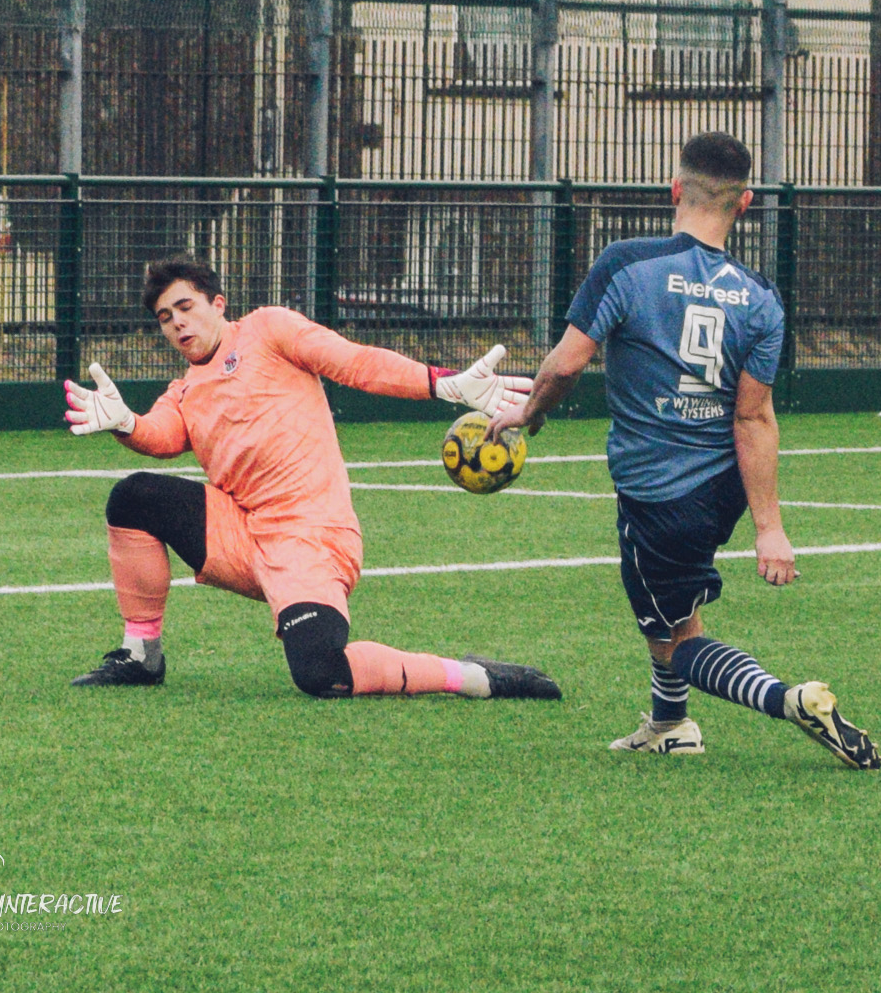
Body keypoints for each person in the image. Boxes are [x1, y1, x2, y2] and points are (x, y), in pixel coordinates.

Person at [491, 132, 881, 769]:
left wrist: (527, 414)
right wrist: (769, 529)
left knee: (672, 639)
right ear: (745, 204)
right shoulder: (761, 299)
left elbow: (564, 366)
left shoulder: (625, 264)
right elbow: (753, 418)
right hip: (720, 489)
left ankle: (791, 700)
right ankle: (671, 725)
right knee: (677, 606)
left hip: (656, 491)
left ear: (674, 191)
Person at [61, 258, 560, 702]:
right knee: (133, 497)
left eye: (185, 307)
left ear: (218, 304)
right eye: (166, 319)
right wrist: (125, 422)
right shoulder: (185, 391)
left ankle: (475, 677)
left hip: (310, 537)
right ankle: (140, 655)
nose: (177, 324)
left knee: (323, 674)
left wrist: (441, 382)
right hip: (242, 534)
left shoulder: (268, 329)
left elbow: (354, 362)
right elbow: (160, 434)